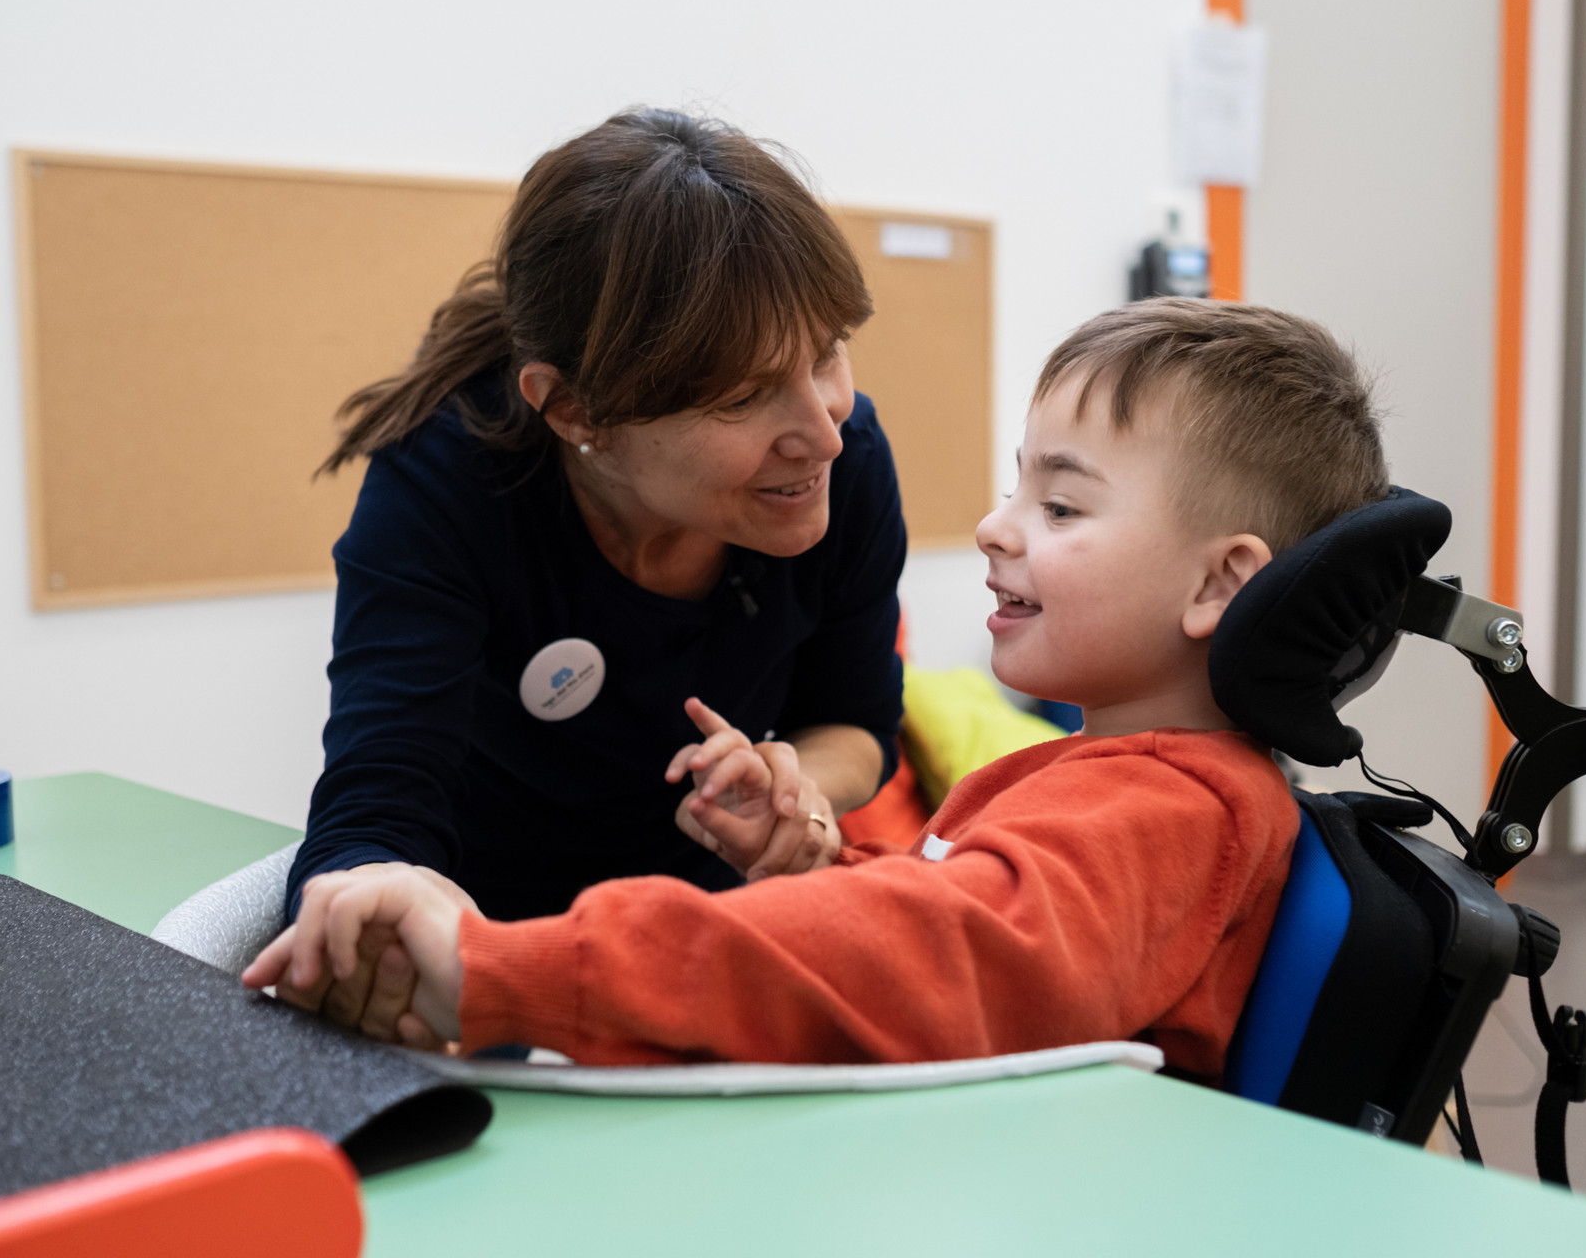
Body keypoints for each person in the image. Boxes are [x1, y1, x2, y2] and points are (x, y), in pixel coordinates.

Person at [249, 298, 1387, 1079]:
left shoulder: (1173, 811)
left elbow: (938, 961)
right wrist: (811, 861)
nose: (995, 526)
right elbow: (972, 921)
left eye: (1062, 506)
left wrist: (501, 967)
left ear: (1219, 580)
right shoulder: (1113, 780)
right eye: (1014, 489)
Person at [288, 108, 907, 937]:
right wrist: (375, 922)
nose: (825, 431)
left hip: (698, 932)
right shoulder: (443, 481)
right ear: (577, 411)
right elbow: (376, 809)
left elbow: (857, 723)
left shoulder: (850, 459)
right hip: (492, 930)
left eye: (827, 352)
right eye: (742, 397)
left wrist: (791, 784)